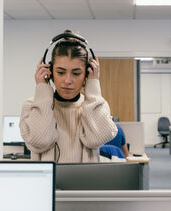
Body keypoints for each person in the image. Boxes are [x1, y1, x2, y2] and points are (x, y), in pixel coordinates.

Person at [20, 30, 117, 163]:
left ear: (86, 75)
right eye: (60, 72)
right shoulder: (32, 106)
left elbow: (96, 139)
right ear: (50, 72)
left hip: (86, 183)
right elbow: (40, 141)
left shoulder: (95, 105)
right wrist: (42, 89)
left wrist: (93, 86)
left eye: (76, 73)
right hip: (48, 182)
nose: (68, 80)